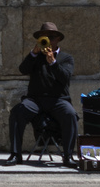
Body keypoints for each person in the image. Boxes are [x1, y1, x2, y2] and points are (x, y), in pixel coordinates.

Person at [8, 21, 78, 165]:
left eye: (51, 37)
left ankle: (68, 156)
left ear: (58, 39)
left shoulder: (66, 58)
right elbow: (23, 69)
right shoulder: (36, 57)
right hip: (35, 100)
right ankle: (16, 154)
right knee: (17, 112)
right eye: (44, 38)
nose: (49, 41)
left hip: (58, 100)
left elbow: (65, 78)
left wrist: (53, 62)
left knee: (70, 114)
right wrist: (33, 53)